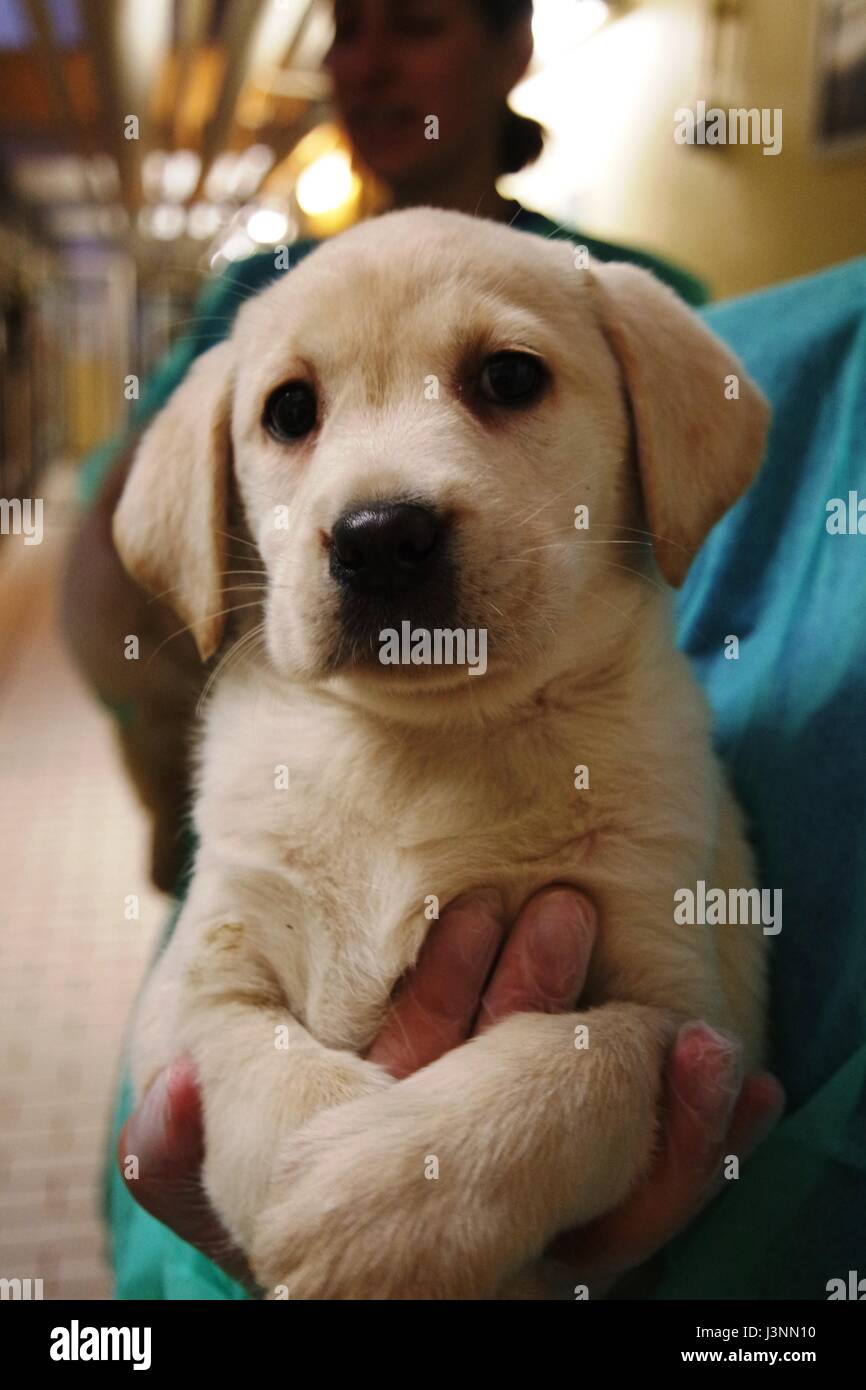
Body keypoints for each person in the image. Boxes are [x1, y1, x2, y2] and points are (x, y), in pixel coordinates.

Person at [62, 0, 781, 1298]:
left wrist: (556, 1106)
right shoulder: (248, 305)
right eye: (294, 413)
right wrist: (295, 1163)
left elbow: (683, 1034)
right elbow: (205, 1031)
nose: (376, 508)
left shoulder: (621, 303)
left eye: (504, 382)